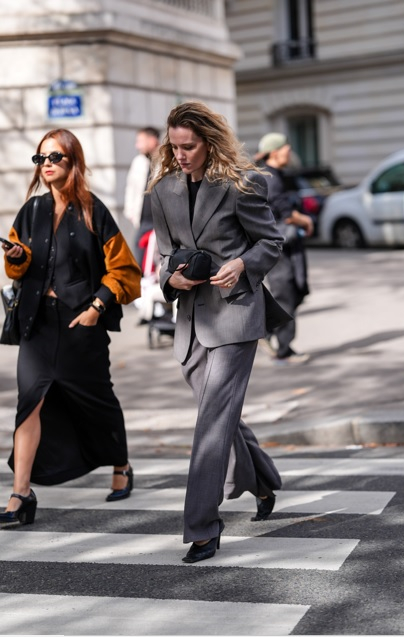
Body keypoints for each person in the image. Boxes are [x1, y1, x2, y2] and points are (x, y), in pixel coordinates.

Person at [147, 101, 286, 563]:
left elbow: (271, 241)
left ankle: (202, 527)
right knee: (221, 416)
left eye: (189, 146)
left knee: (210, 424)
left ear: (209, 141)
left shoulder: (241, 184)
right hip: (190, 320)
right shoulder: (162, 191)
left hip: (235, 314)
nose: (180, 154)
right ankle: (263, 482)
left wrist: (242, 264)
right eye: (175, 146)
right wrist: (173, 278)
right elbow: (166, 256)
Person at [2, 129, 142, 524]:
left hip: (82, 323)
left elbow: (124, 271)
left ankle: (121, 464)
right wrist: (16, 257)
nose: (45, 164)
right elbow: (18, 267)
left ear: (73, 162)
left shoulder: (94, 210)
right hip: (38, 323)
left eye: (55, 157)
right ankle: (20, 495)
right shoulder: (30, 211)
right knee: (28, 405)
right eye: (40, 158)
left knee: (97, 400)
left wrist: (98, 306)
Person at [256, 132, 313, 365]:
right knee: (286, 295)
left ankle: (269, 333)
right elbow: (287, 216)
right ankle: (284, 349)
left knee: (294, 291)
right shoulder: (270, 178)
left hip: (283, 244)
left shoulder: (274, 175)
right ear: (274, 151)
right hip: (279, 246)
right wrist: (307, 221)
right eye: (286, 147)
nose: (290, 150)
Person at [124, 127, 161, 266]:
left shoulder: (166, 160)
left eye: (140, 141)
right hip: (143, 219)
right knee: (139, 253)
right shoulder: (138, 162)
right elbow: (131, 187)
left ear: (152, 140)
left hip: (161, 220)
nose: (137, 146)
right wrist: (130, 212)